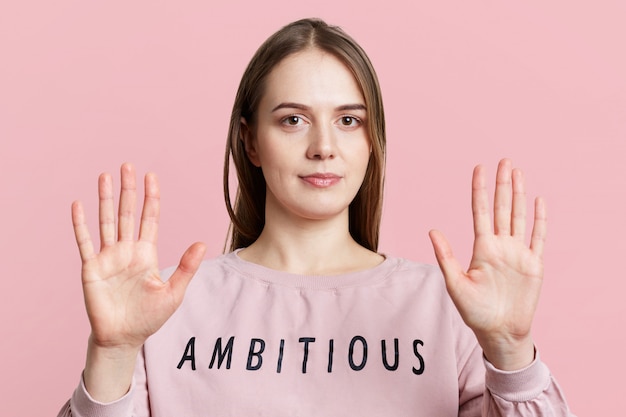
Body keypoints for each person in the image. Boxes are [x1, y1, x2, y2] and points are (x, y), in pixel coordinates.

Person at [57, 18, 574, 416]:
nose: (324, 147)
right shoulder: (163, 305)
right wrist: (114, 351)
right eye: (293, 120)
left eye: (349, 121)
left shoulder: (449, 306)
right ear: (250, 141)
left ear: (373, 142)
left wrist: (509, 351)